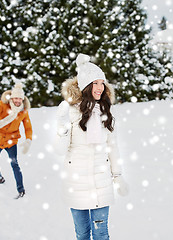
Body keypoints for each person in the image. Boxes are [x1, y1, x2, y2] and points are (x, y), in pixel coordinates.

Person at [55, 53, 129, 239]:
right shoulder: (71, 112)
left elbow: (113, 148)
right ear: (86, 86)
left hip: (101, 183)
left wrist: (117, 175)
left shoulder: (106, 113)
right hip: (76, 183)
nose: (100, 87)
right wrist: (62, 127)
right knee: (82, 234)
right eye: (95, 83)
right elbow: (59, 150)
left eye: (102, 82)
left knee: (101, 234)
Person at [0, 82, 32, 199]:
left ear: (23, 99)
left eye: (20, 99)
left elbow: (28, 128)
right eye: (15, 98)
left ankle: (21, 189)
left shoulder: (23, 112)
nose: (17, 101)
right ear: (12, 97)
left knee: (14, 165)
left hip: (11, 142)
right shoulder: (3, 105)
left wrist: (28, 140)